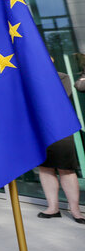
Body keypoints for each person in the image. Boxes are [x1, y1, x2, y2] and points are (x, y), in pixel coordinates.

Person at [37, 71, 84, 223]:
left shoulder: (62, 77)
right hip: (38, 127)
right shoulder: (27, 77)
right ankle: (53, 208)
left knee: (66, 168)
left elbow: (59, 100)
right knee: (45, 167)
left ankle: (75, 210)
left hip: (60, 127)